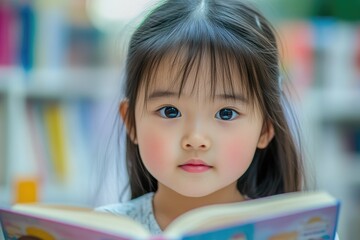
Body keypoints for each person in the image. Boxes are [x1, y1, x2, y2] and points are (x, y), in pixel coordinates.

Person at [96, 0, 307, 235]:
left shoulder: (295, 232)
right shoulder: (102, 230)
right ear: (131, 122)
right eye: (170, 111)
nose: (196, 139)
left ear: (265, 129)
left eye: (226, 113)